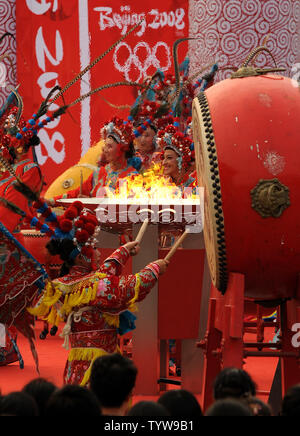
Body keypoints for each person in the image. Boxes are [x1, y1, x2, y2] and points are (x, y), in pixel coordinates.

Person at [28, 200, 169, 386]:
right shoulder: (96, 286)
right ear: (81, 257)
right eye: (93, 249)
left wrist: (123, 252)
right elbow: (130, 288)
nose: (98, 253)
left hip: (76, 365)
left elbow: (101, 276)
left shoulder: (60, 285)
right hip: (100, 368)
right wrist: (154, 269)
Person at [49, 117, 139, 201]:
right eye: (105, 145)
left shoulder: (133, 177)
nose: (105, 150)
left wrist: (91, 201)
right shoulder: (99, 173)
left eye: (110, 146)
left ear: (123, 148)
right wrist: (52, 201)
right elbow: (74, 194)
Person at [157, 124, 196, 190]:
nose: (164, 163)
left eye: (169, 158)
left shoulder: (193, 185)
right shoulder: (161, 184)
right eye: (164, 158)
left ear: (182, 160)